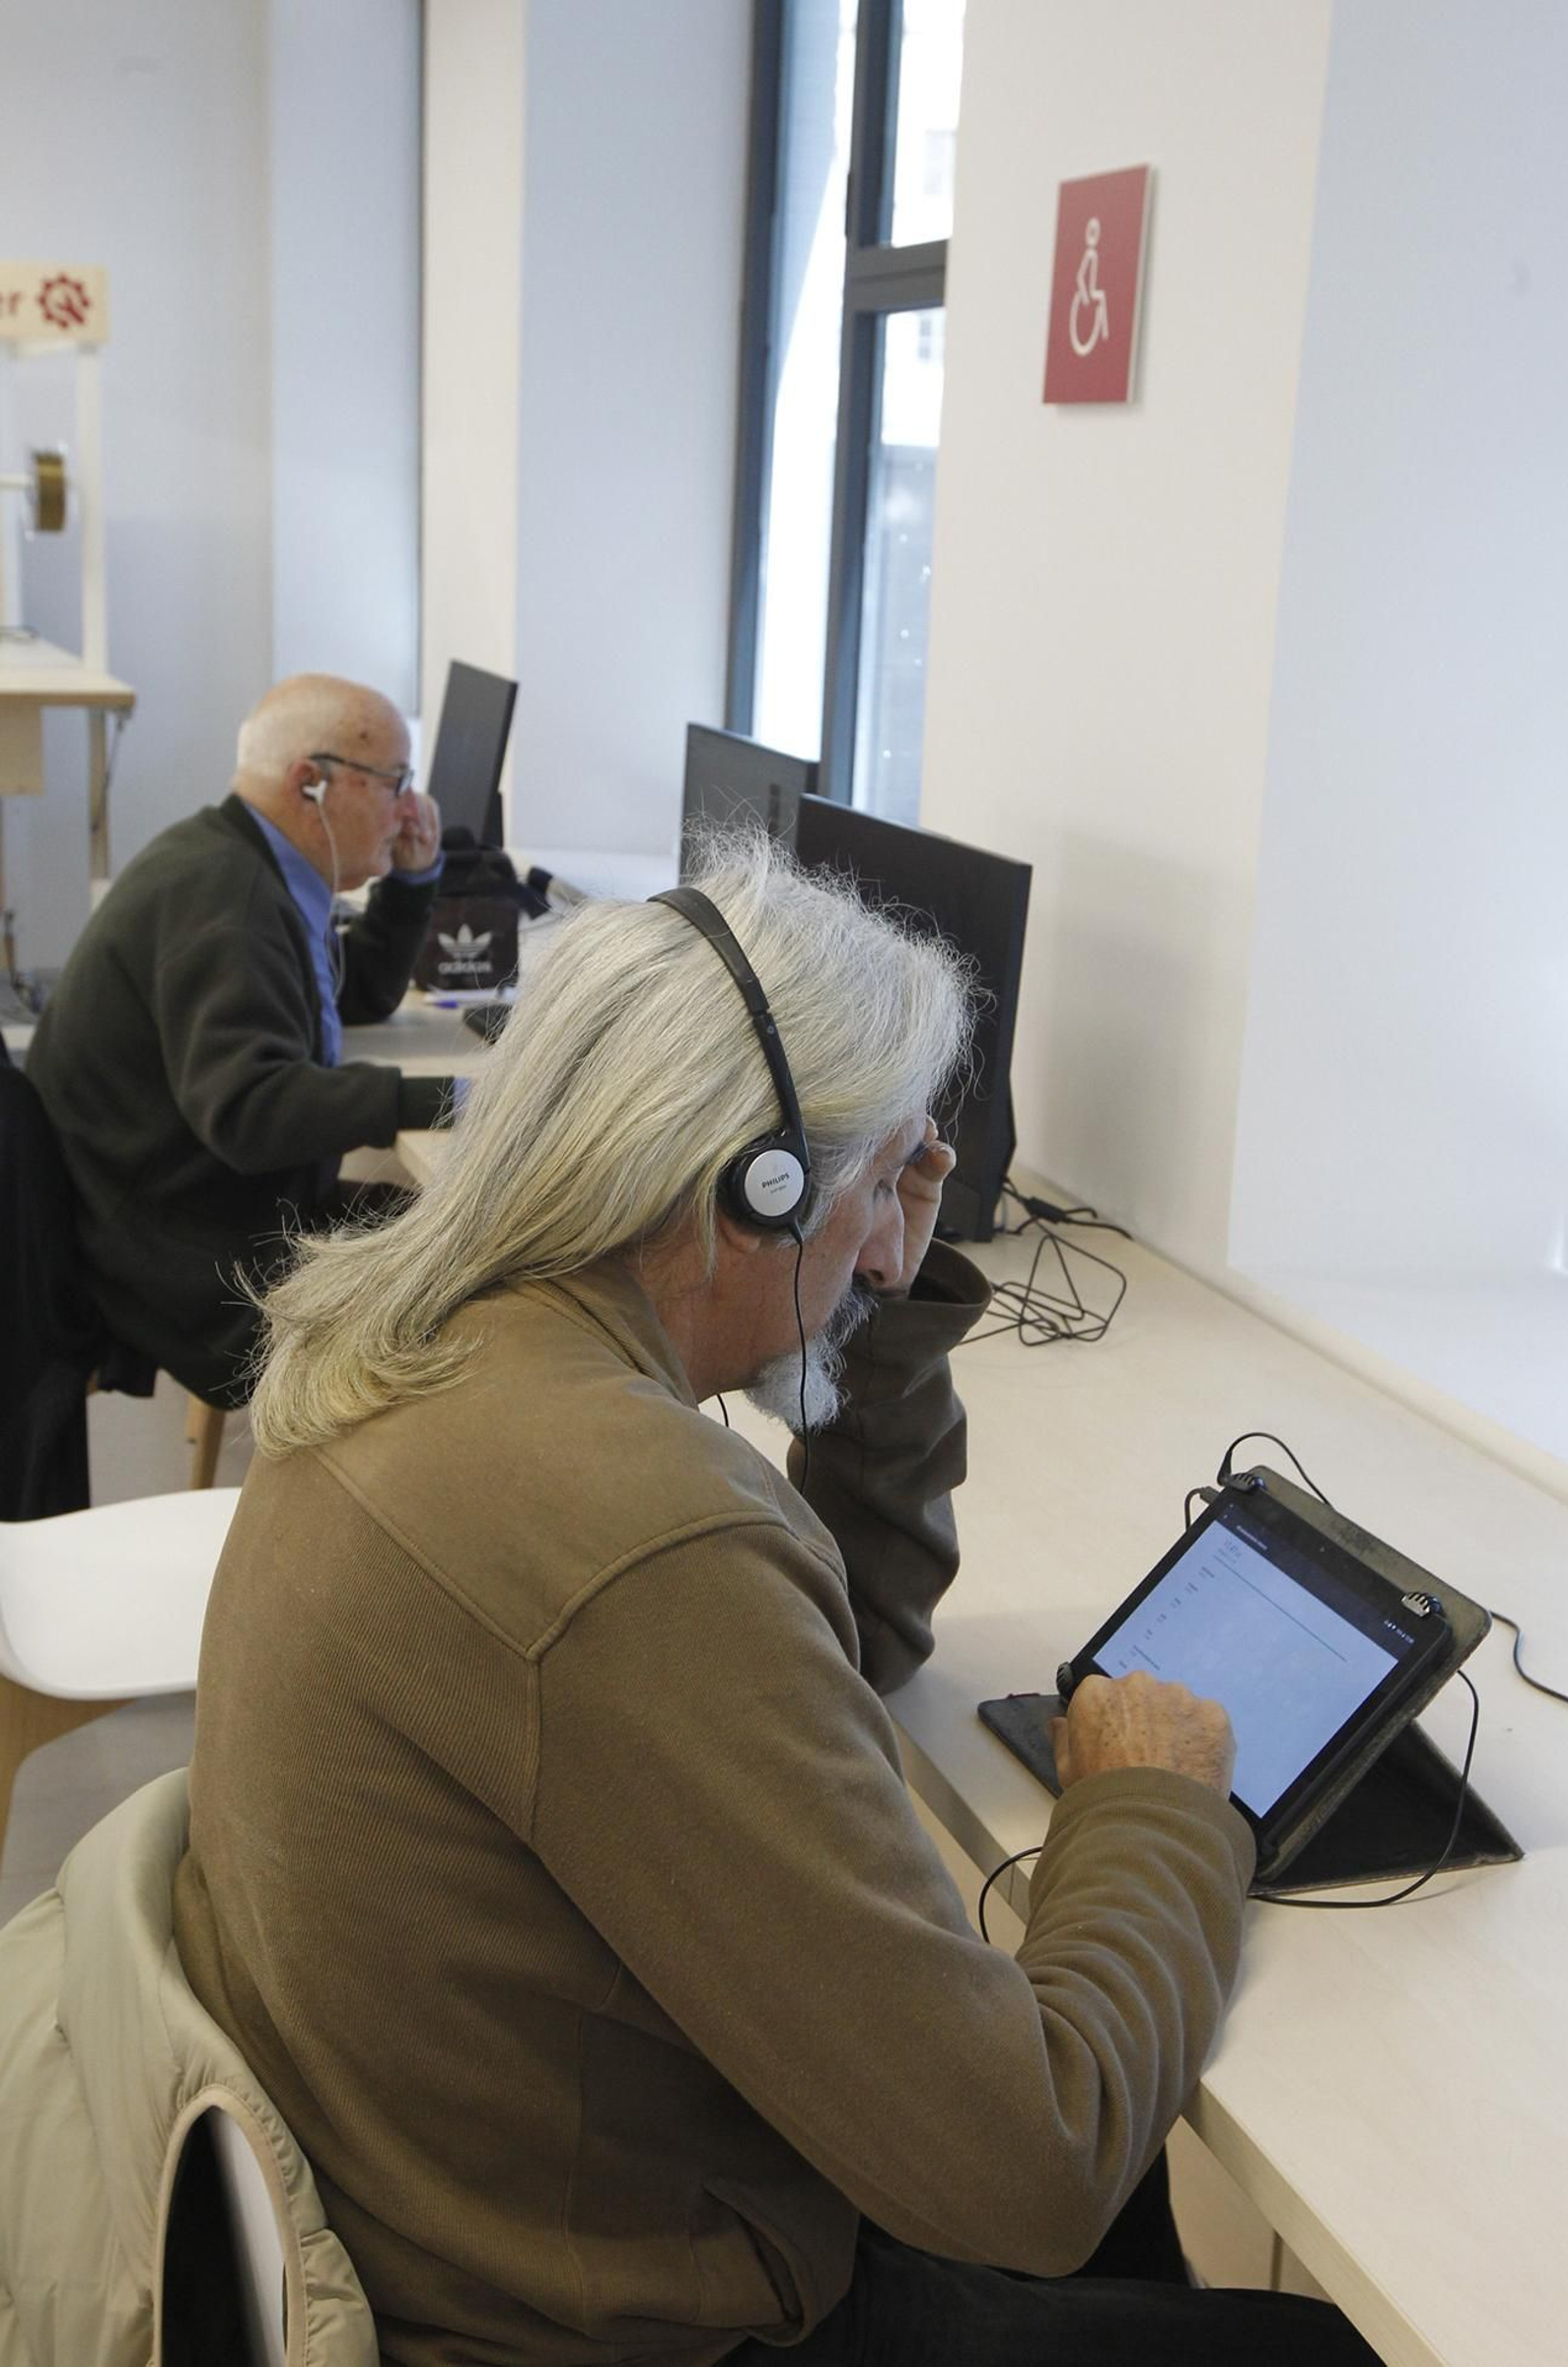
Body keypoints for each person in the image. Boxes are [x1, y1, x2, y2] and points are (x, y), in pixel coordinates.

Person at [171, 834, 1380, 2366]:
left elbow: (822, 1658)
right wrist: (1154, 1811)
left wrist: (873, 1300)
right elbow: (1034, 2166)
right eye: (878, 1186)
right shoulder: (633, 1531)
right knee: (1315, 2333)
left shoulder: (434, 1342)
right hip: (606, 2325)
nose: (891, 1236)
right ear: (756, 1185)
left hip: (453, 2209)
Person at [27, 673, 461, 1408]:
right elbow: (251, 1111)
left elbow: (347, 995)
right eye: (395, 782)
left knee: (460, 1227)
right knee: (476, 1273)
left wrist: (411, 884)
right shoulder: (228, 902)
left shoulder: (250, 865)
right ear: (311, 783)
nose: (410, 808)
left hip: (194, 1215)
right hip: (189, 1262)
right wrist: (450, 1096)